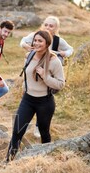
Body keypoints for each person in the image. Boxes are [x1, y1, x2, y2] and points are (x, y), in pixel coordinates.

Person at [6, 30, 65, 162]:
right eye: (35, 40)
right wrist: (25, 89)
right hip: (27, 100)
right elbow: (27, 76)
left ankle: (47, 160)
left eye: (40, 41)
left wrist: (45, 76)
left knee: (44, 134)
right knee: (17, 131)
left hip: (45, 102)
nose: (36, 43)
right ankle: (8, 162)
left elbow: (61, 84)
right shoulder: (29, 55)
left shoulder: (54, 61)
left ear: (47, 43)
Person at [20, 16, 73, 137]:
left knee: (44, 100)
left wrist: (66, 53)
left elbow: (70, 49)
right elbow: (22, 41)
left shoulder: (58, 40)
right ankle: (27, 120)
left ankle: (39, 126)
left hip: (49, 76)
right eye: (46, 24)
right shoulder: (36, 35)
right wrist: (26, 46)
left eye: (51, 26)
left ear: (56, 28)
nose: (48, 27)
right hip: (34, 74)